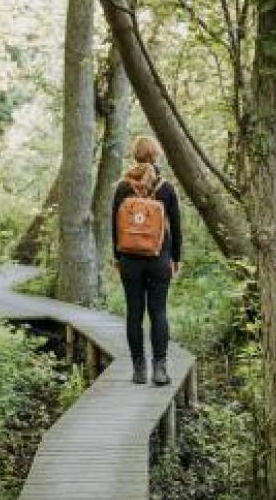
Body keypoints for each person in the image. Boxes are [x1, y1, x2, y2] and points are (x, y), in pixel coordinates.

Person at [112, 136, 182, 385]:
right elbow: (176, 226)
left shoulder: (122, 187)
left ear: (136, 156)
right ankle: (160, 370)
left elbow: (115, 226)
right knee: (158, 312)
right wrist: (175, 259)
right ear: (156, 156)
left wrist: (117, 257)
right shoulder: (166, 188)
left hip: (129, 259)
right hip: (158, 257)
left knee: (134, 312)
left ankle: (139, 369)